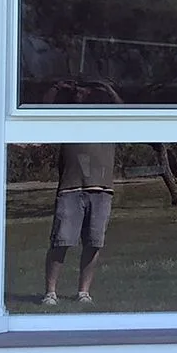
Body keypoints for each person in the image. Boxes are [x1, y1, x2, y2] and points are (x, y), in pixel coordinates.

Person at [42, 83, 117, 305]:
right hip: (71, 187)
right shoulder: (67, 118)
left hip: (101, 189)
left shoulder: (108, 120)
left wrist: (107, 88)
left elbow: (126, 109)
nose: (80, 93)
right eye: (76, 90)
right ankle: (50, 292)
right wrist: (55, 88)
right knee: (61, 241)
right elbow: (41, 113)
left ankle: (83, 292)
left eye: (85, 90)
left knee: (94, 243)